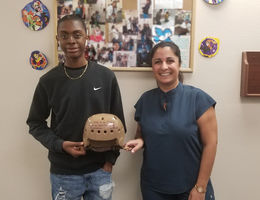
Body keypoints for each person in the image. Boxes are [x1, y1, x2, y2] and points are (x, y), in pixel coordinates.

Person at [26, 14, 126, 200]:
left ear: (86, 36)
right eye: (64, 35)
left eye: (77, 34)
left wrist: (110, 160)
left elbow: (119, 122)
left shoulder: (106, 77)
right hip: (63, 173)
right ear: (58, 39)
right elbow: (35, 123)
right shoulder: (48, 81)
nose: (71, 40)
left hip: (99, 171)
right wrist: (60, 145)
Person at [125, 41, 217, 200]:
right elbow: (141, 134)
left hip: (191, 188)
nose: (164, 67)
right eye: (157, 62)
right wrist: (140, 141)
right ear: (152, 67)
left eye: (170, 61)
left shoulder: (198, 99)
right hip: (153, 188)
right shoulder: (145, 101)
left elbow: (211, 144)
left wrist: (201, 188)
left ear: (179, 64)